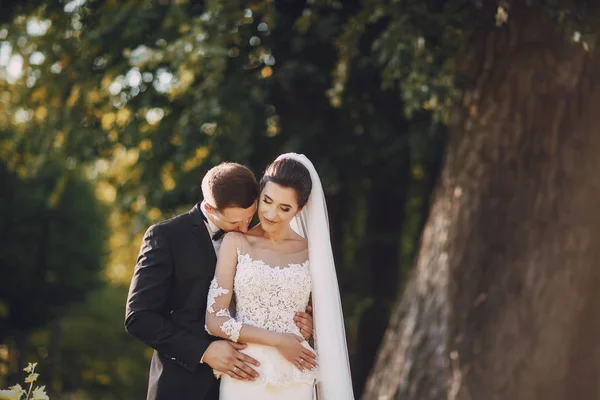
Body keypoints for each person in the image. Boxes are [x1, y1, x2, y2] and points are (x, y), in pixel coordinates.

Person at [125, 162, 314, 400]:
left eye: (249, 215)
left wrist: (304, 319)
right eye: (236, 223)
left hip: (254, 374)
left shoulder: (257, 227)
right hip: (185, 384)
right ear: (209, 208)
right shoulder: (166, 237)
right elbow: (139, 318)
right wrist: (203, 351)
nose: (246, 227)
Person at [205, 153, 354, 400]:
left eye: (284, 208)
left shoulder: (312, 252)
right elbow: (215, 319)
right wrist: (279, 341)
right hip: (244, 370)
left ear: (301, 209)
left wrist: (311, 326)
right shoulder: (236, 242)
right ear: (260, 192)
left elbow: (326, 324)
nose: (271, 214)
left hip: (296, 376)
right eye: (267, 201)